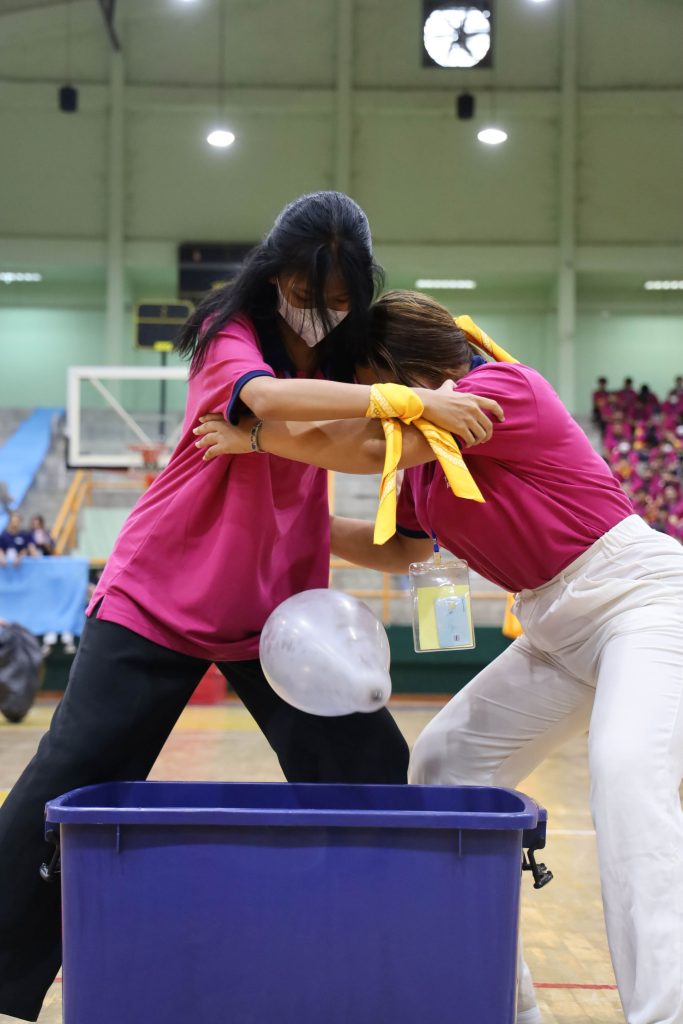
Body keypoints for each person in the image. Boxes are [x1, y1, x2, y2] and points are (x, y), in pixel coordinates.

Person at [0, 196, 501, 1023]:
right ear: (274, 278)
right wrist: (408, 407)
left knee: (371, 770)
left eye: (338, 298)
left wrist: (422, 415)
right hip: (160, 596)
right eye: (306, 292)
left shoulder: (346, 359)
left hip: (279, 615)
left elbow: (354, 445)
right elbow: (263, 400)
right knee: (69, 771)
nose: (319, 311)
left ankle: (395, 950)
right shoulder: (227, 335)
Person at [197, 289, 683, 1024]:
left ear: (407, 374)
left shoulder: (502, 390)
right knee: (444, 766)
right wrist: (293, 524)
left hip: (640, 602)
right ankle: (509, 1005)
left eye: (371, 386)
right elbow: (402, 551)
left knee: (625, 775)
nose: (368, 404)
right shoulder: (422, 465)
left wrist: (258, 437)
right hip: (554, 625)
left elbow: (362, 446)